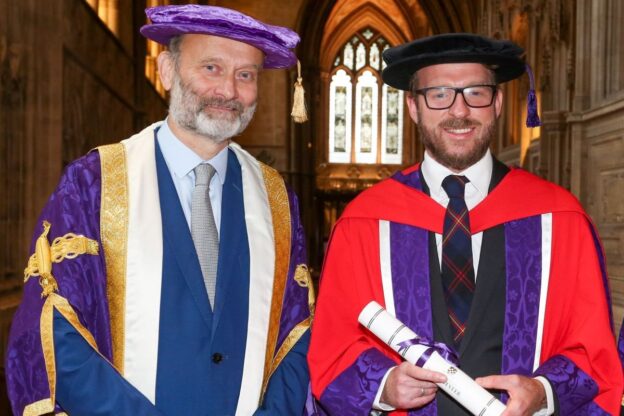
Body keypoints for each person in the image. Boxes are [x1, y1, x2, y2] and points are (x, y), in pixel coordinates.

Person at [6, 4, 313, 415]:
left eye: (246, 75)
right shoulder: (95, 183)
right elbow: (55, 327)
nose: (229, 91)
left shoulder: (276, 199)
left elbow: (296, 333)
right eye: (211, 68)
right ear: (167, 71)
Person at [308, 33, 622, 415]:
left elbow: (593, 350)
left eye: (476, 92)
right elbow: (333, 347)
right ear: (412, 106)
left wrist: (543, 392)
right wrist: (384, 386)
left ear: (498, 103)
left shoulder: (559, 217)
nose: (459, 111)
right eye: (439, 94)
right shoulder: (364, 222)